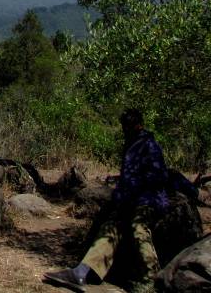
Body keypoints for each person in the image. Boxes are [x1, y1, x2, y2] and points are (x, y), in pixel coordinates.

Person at [43, 108, 168, 293]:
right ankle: (82, 272)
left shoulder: (148, 145)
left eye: (128, 126)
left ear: (137, 125)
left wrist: (127, 195)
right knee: (111, 227)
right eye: (124, 126)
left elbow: (156, 176)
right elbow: (131, 177)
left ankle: (153, 279)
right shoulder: (134, 144)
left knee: (138, 228)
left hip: (149, 201)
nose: (125, 129)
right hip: (133, 200)